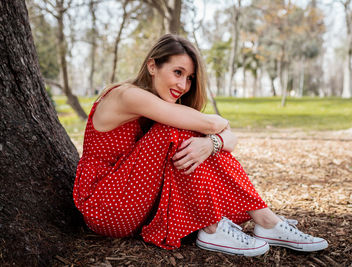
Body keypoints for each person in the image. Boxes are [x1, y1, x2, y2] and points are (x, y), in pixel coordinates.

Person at [73, 34, 328, 257]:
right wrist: (217, 127)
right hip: (105, 205)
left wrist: (211, 143)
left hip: (134, 201)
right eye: (177, 72)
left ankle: (265, 221)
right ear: (152, 65)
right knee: (174, 130)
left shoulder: (160, 105)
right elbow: (211, 124)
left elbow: (230, 139)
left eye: (189, 78)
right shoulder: (126, 95)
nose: (183, 86)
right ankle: (214, 228)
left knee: (194, 140)